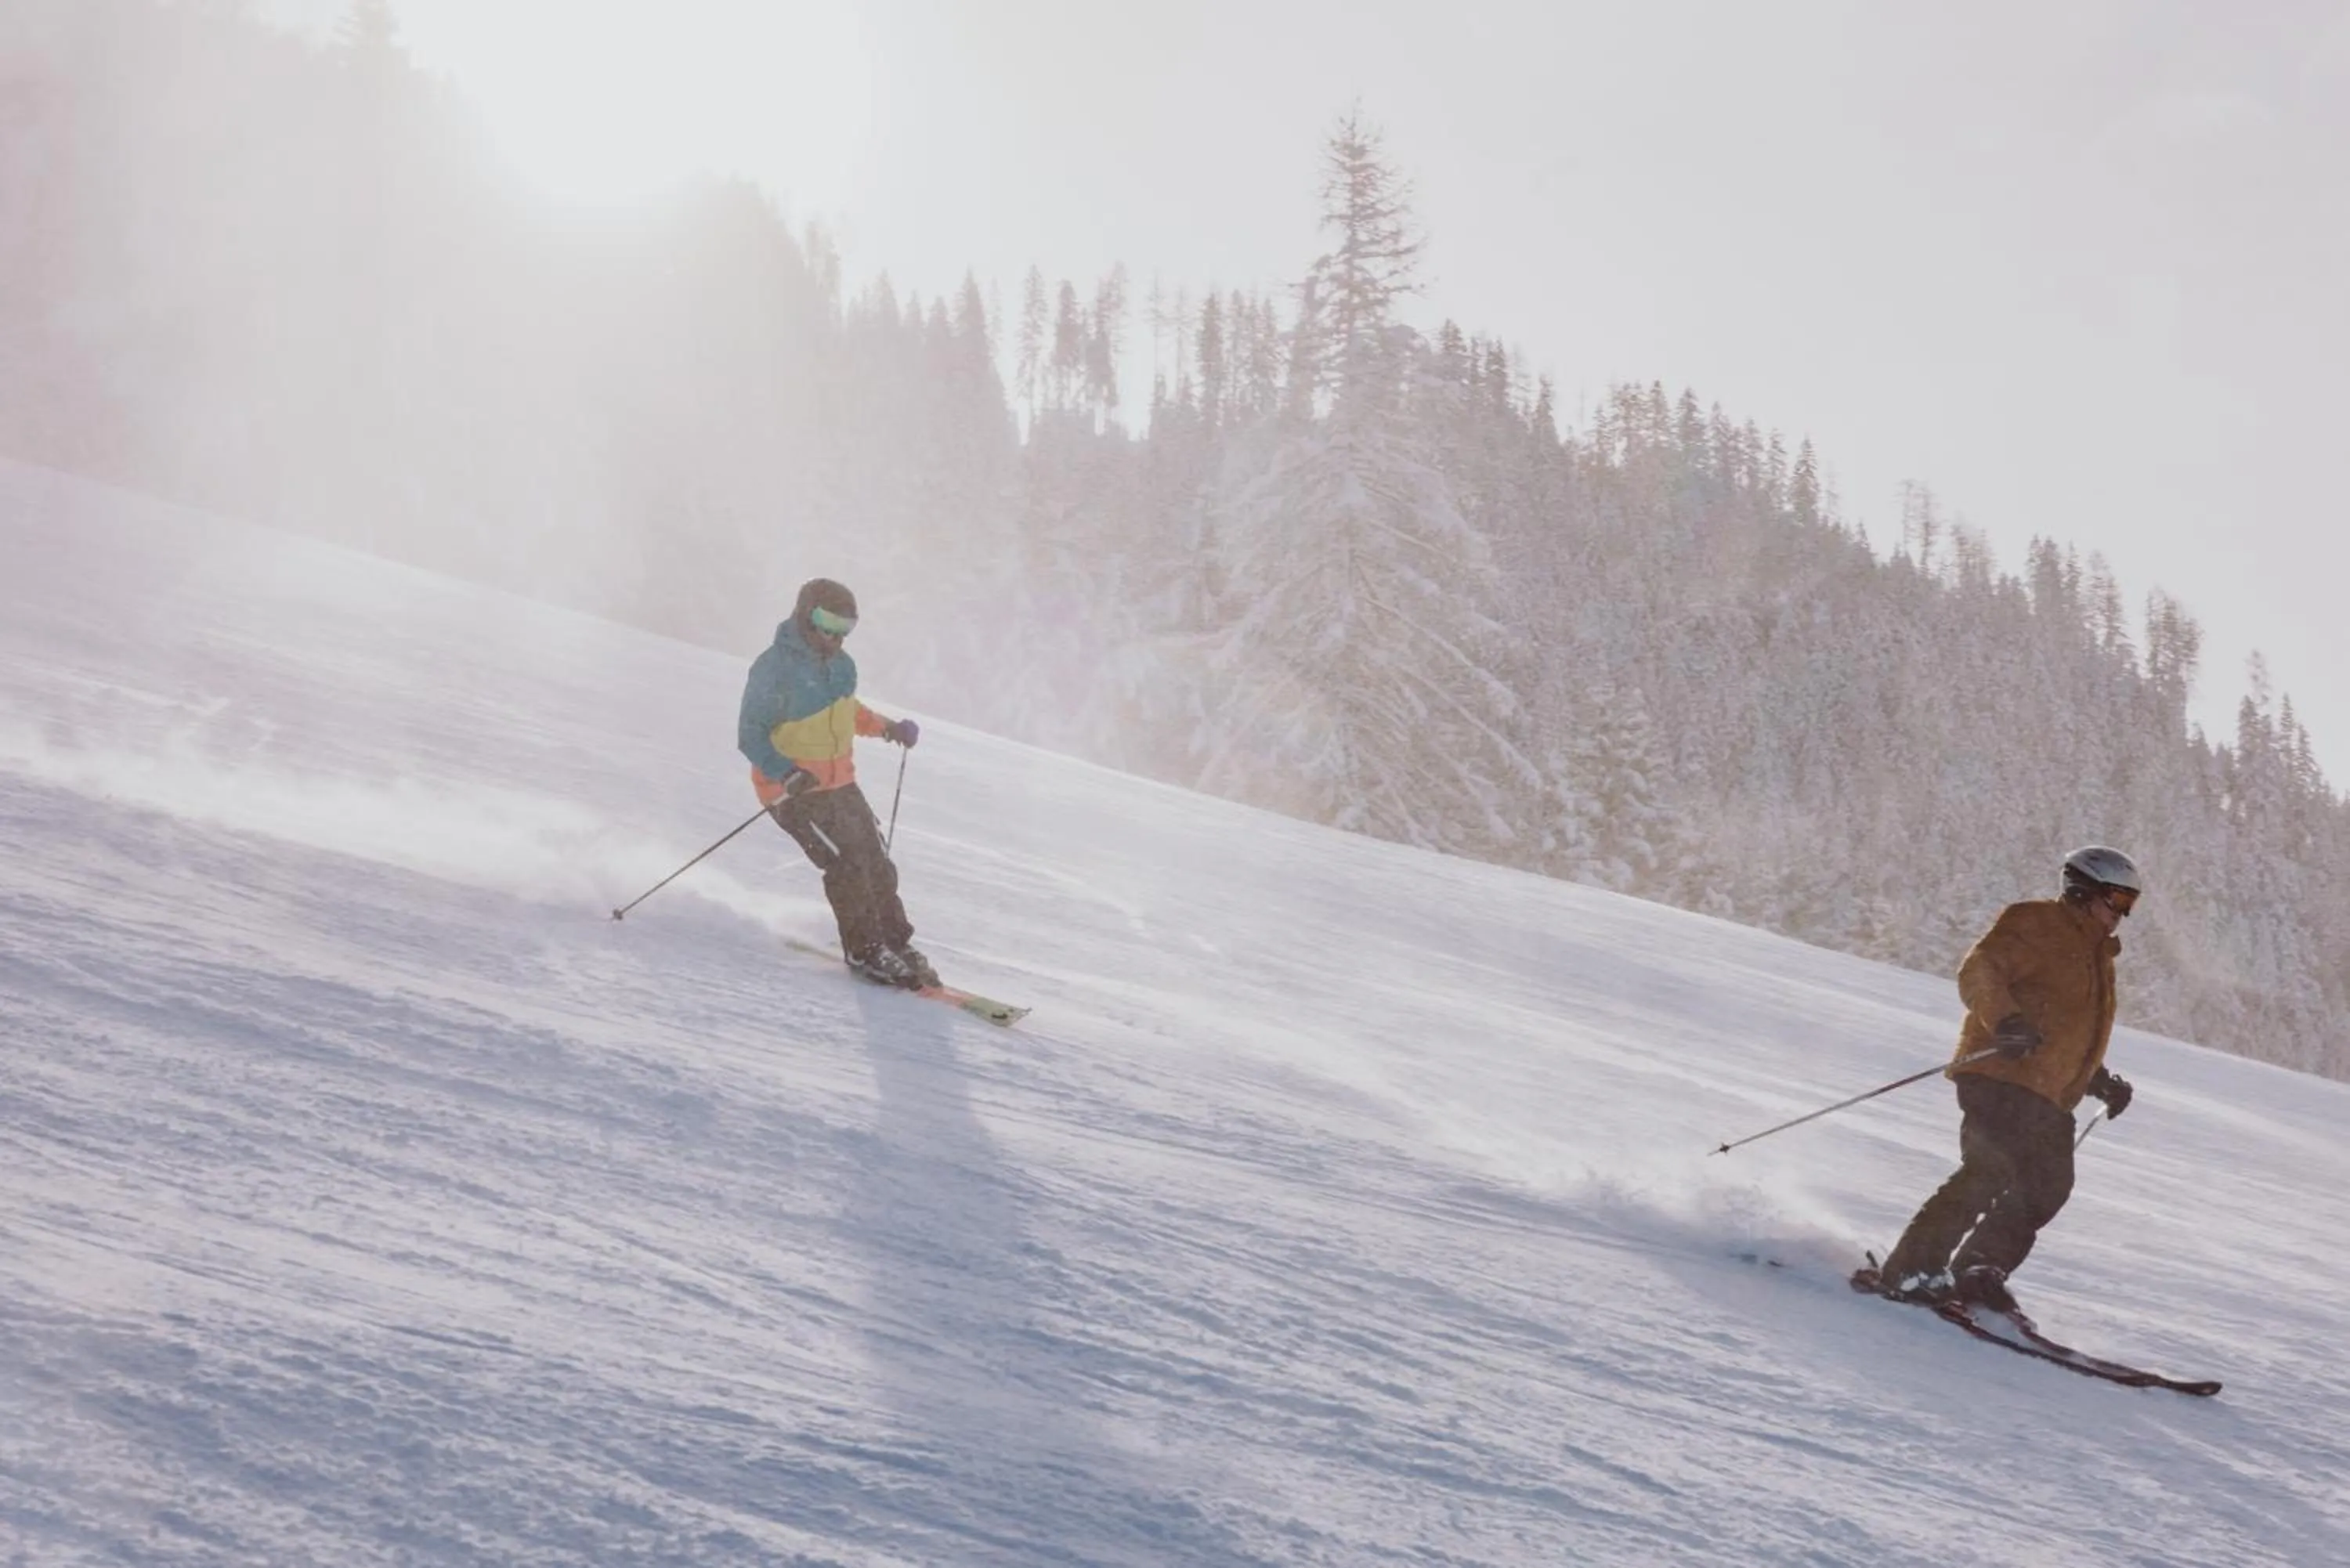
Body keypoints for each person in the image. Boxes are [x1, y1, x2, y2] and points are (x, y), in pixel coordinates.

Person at [1872, 845, 2142, 1311]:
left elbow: (2065, 1029)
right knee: (1991, 1168)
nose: (2123, 914)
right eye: (2117, 900)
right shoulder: (2036, 923)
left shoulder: (2098, 957)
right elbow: (1980, 971)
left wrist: (2097, 1080)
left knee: (2046, 1187)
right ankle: (1912, 1268)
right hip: (2000, 1072)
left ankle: (1978, 1269)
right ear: (2083, 890)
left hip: (2051, 1095)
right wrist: (2006, 1023)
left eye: (2130, 905)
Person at [736, 577, 934, 989]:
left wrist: (888, 728)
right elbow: (750, 734)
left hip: (840, 784)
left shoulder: (843, 667)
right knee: (845, 862)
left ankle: (896, 943)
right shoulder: (774, 667)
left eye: (846, 627)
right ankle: (865, 950)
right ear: (806, 614)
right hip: (791, 791)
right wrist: (786, 772)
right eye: (828, 623)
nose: (835, 635)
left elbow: (848, 711)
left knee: (875, 857)